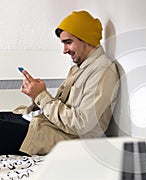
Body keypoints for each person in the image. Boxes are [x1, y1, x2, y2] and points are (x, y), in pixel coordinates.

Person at [0, 10, 120, 155]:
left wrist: (41, 96)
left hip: (55, 136)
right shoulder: (79, 68)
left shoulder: (103, 72)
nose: (64, 50)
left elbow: (81, 125)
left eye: (68, 43)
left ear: (86, 39)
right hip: (42, 123)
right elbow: (61, 108)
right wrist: (36, 94)